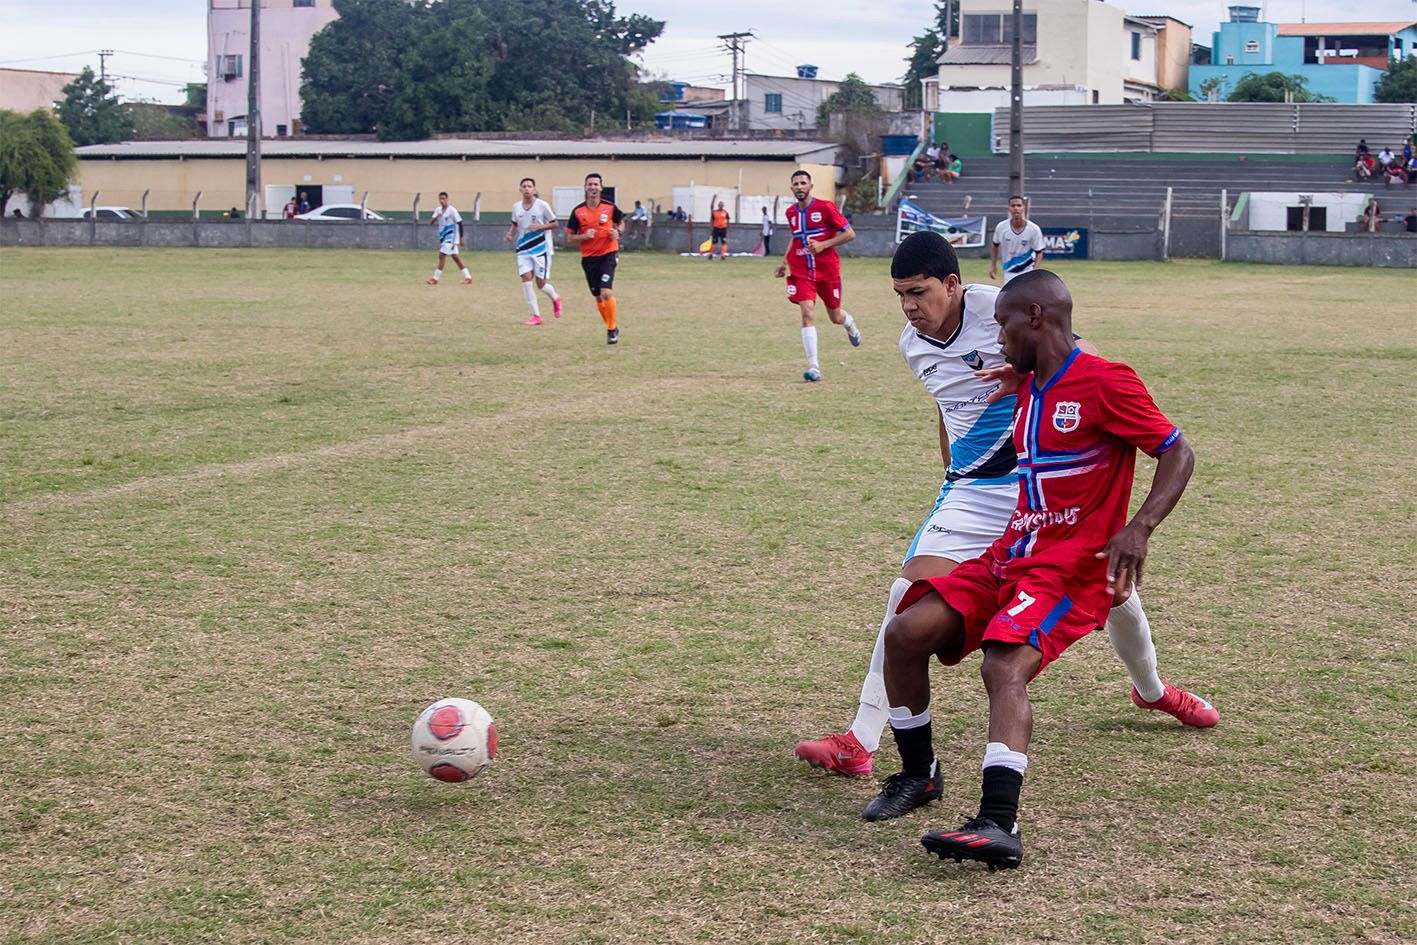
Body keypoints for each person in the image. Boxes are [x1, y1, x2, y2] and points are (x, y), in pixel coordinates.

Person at [795, 231, 1216, 781]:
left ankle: (1153, 691)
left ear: (951, 284)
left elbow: (1074, 362)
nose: (908, 307)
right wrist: (951, 472)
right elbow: (948, 407)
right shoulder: (910, 344)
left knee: (1115, 595)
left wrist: (1024, 379)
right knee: (907, 594)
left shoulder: (1003, 307)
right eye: (899, 294)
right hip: (972, 488)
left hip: (1037, 480)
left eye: (918, 292)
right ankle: (861, 739)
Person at [863, 263, 1199, 871]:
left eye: (1003, 325)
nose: (996, 338)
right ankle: (919, 776)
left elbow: (1178, 450)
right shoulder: (1028, 382)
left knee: (1004, 664)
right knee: (904, 631)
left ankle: (998, 821)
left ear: (1035, 318)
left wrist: (1138, 528)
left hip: (1069, 570)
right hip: (1009, 556)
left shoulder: (1106, 383)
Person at [774, 169, 862, 381]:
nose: (800, 187)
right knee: (807, 313)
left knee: (835, 316)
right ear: (791, 188)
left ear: (810, 186)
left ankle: (849, 324)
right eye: (796, 184)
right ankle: (814, 367)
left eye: (803, 183)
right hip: (802, 271)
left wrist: (824, 245)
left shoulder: (825, 208)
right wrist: (784, 261)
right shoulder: (791, 213)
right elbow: (796, 238)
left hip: (827, 271)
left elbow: (850, 233)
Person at [565, 172, 625, 345]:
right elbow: (570, 238)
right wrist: (583, 236)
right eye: (589, 184)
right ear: (585, 188)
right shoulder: (578, 211)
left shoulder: (609, 207)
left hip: (608, 253)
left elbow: (621, 221)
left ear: (601, 187)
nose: (592, 187)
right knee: (598, 297)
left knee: (606, 291)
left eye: (595, 184)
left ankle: (611, 330)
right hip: (589, 258)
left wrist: (618, 232)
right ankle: (612, 325)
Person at [504, 177, 562, 326]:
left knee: (541, 284)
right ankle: (536, 315)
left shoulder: (542, 205)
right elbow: (515, 224)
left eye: (530, 186)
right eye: (524, 186)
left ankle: (555, 298)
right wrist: (511, 233)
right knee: (525, 280)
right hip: (523, 249)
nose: (527, 188)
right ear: (520, 189)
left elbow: (555, 223)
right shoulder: (516, 207)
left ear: (534, 189)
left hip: (541, 248)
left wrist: (540, 227)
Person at [990, 196, 1045, 283]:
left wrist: (1035, 270)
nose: (1016, 208)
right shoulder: (1001, 227)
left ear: (1024, 207)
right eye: (1013, 206)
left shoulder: (1034, 229)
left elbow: (1039, 252)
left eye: (1019, 205)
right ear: (1009, 208)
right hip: (1009, 271)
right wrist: (993, 266)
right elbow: (995, 245)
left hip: (1027, 270)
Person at [427, 191, 472, 286]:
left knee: (442, 255)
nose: (442, 200)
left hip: (451, 238)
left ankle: (435, 279)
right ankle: (468, 277)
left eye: (444, 198)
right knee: (456, 258)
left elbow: (460, 223)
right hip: (443, 238)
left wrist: (461, 238)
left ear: (447, 199)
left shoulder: (452, 210)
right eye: (440, 199)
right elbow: (430, 223)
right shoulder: (438, 210)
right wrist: (436, 218)